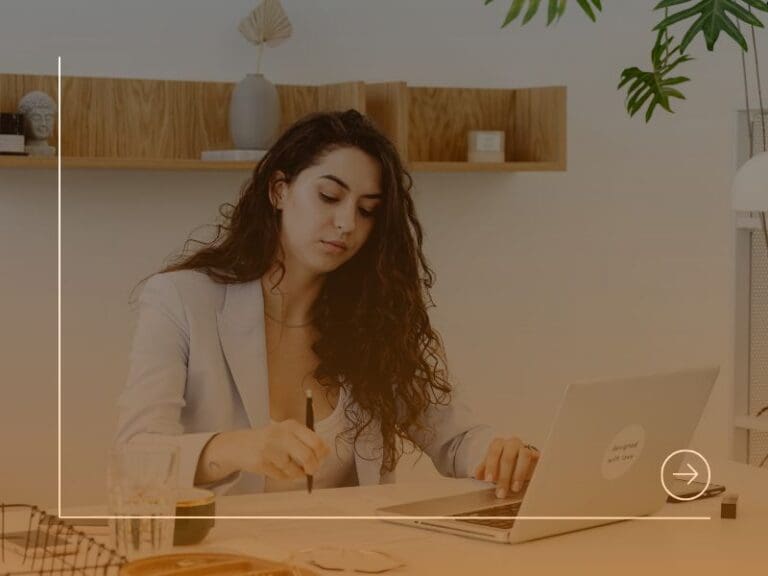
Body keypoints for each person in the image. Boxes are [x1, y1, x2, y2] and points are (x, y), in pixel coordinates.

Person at [115, 110, 539, 499]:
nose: (347, 223)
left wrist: (504, 456)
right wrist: (237, 447)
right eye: (329, 197)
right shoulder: (180, 299)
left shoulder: (372, 321)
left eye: (367, 210)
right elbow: (135, 457)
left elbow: (455, 439)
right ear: (279, 191)